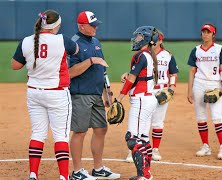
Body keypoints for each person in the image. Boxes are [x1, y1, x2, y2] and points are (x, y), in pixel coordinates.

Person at [11, 10, 79, 180]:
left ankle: (33, 174)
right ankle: (64, 176)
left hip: (34, 92)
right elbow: (76, 50)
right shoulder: (61, 40)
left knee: (38, 133)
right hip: (56, 93)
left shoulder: (27, 41)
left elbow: (15, 65)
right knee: (60, 136)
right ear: (56, 25)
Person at [68, 11, 120, 179]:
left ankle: (98, 168)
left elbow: (102, 69)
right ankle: (77, 171)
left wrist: (107, 93)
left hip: (97, 93)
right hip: (80, 93)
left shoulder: (96, 42)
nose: (96, 27)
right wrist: (90, 61)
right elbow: (69, 73)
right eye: (92, 25)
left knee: (101, 129)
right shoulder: (72, 44)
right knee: (80, 131)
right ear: (81, 26)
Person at [124, 30, 179, 162]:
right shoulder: (144, 55)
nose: (153, 42)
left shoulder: (167, 56)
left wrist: (171, 89)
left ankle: (155, 149)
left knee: (158, 122)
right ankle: (134, 149)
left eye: (156, 40)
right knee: (142, 121)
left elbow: (173, 74)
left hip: (161, 92)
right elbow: (135, 72)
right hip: (146, 91)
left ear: (160, 41)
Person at [115, 26, 159, 180]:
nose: (136, 39)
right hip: (148, 99)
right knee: (143, 137)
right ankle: (146, 174)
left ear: (146, 39)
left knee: (132, 138)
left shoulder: (141, 56)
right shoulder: (148, 55)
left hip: (141, 101)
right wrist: (128, 76)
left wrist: (118, 98)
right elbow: (136, 77)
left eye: (140, 37)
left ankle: (144, 176)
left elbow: (132, 80)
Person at [187, 24, 222, 160]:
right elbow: (192, 70)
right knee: (201, 117)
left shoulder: (220, 49)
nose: (205, 34)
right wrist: (189, 90)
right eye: (203, 32)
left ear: (213, 34)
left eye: (208, 32)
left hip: (214, 84)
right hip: (199, 84)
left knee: (217, 117)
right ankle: (205, 146)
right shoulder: (196, 50)